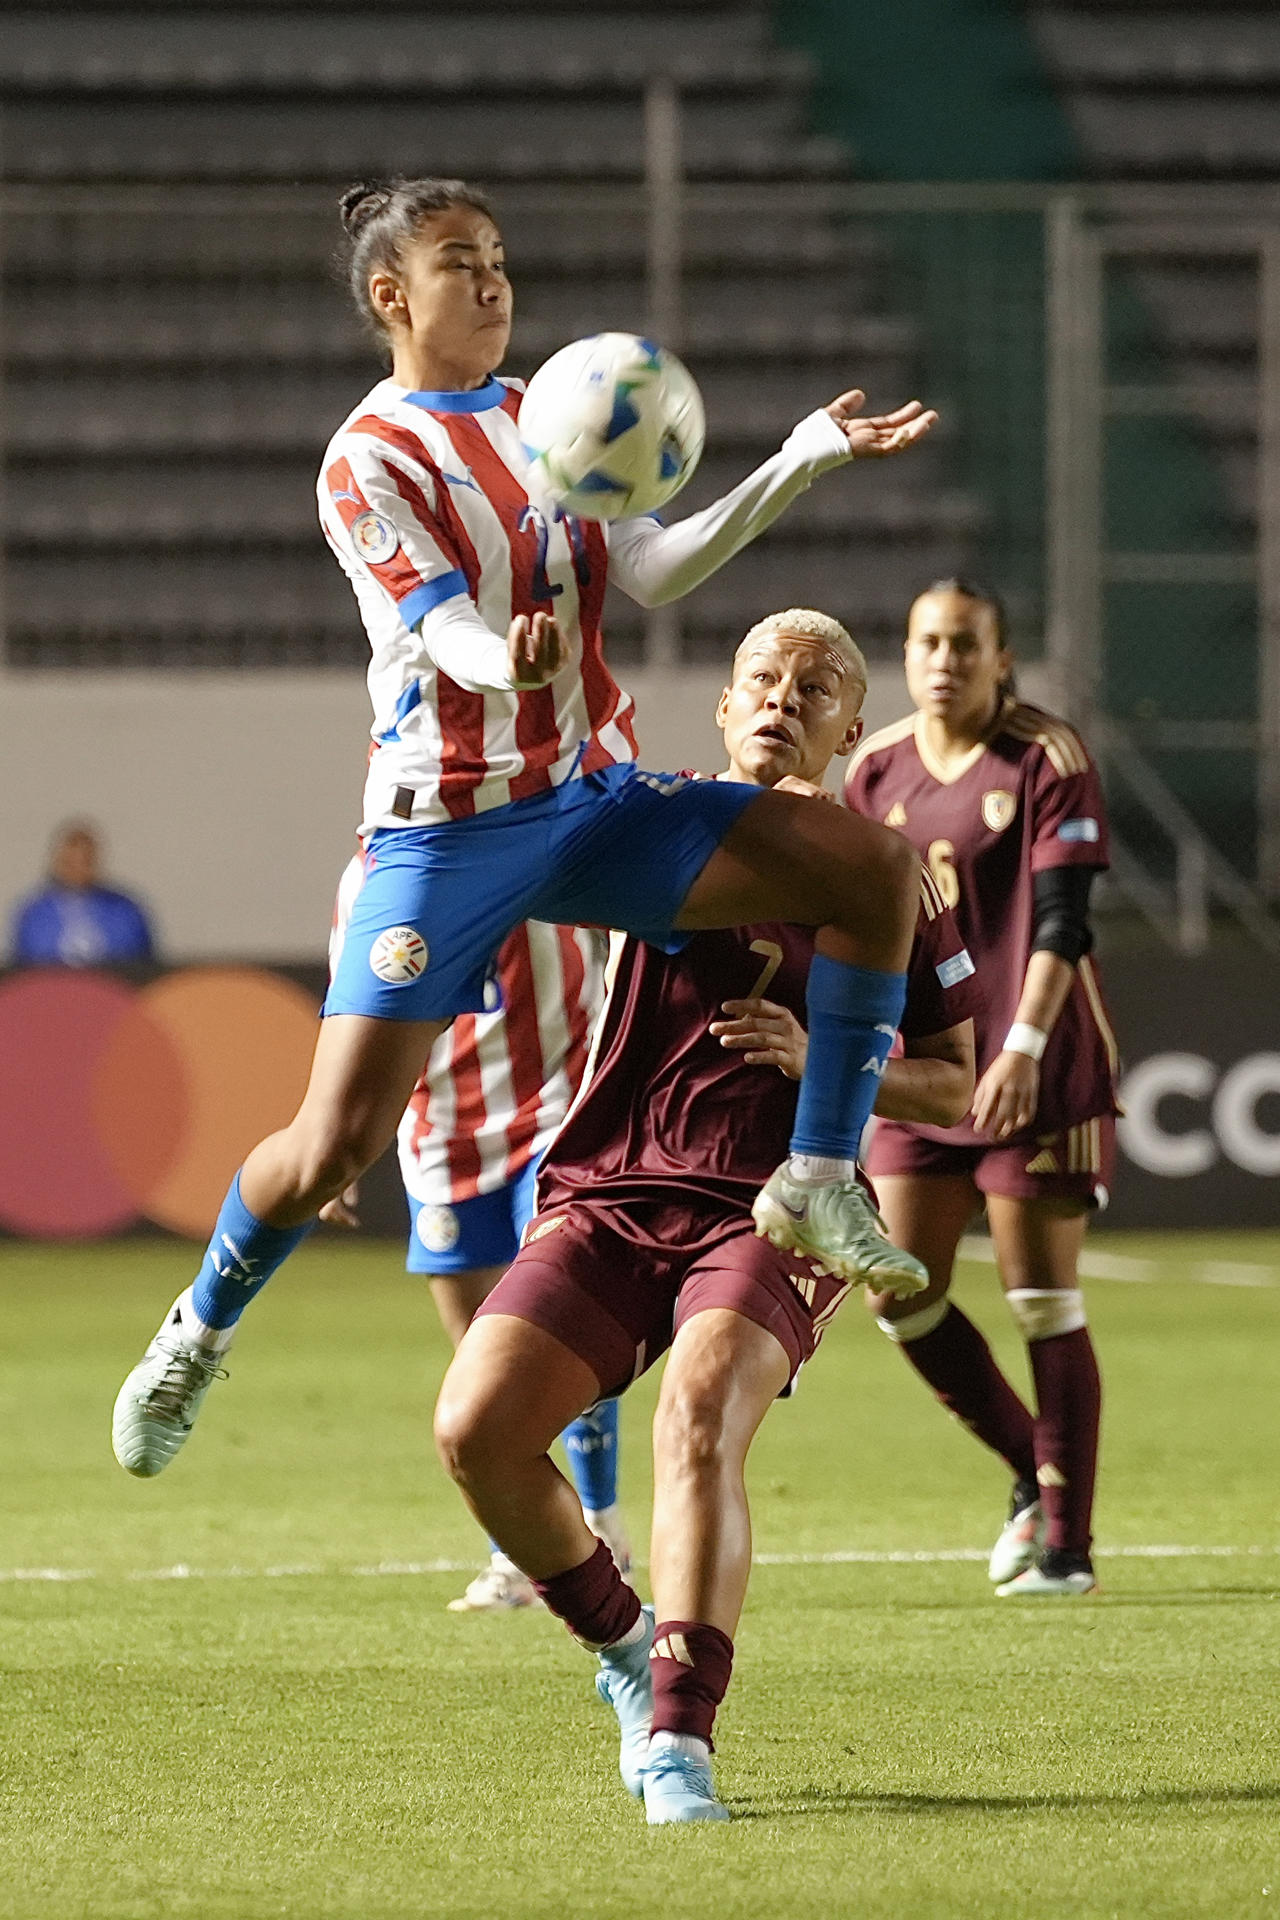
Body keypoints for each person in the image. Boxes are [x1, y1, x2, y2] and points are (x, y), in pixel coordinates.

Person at [112, 173, 937, 1480]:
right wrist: (506, 663)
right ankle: (196, 1331)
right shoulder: (368, 459)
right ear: (392, 296)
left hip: (589, 803)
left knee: (872, 870)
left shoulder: (545, 414)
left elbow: (656, 568)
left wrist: (801, 459)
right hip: (447, 831)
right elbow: (430, 627)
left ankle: (820, 1174)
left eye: (498, 257)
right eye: (458, 262)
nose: (493, 281)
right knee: (336, 1139)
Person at [433, 608, 983, 1823]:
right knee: (475, 1432)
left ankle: (680, 1737)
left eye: (818, 685)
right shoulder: (652, 822)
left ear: (851, 727)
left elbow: (957, 1077)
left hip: (775, 1207)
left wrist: (829, 1059)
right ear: (725, 712)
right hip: (609, 1189)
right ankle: (627, 1650)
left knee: (696, 1411)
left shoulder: (891, 880)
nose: (785, 697)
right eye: (761, 680)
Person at [844, 578, 1118, 1599]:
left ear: (1001, 658)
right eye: (927, 642)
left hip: (1034, 1072)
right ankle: (1024, 1467)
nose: (944, 660)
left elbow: (1062, 924)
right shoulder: (873, 773)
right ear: (906, 655)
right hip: (926, 1075)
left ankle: (1065, 1548)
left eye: (966, 643)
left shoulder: (1045, 757)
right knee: (895, 1289)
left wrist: (1020, 1049)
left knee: (1039, 1298)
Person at [326, 854, 630, 1608]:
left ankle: (601, 1521)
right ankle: (515, 1553)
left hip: (557, 1110)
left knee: (564, 1321)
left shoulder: (560, 843)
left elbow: (632, 951)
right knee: (478, 1352)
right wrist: (338, 1139)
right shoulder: (374, 873)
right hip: (439, 1130)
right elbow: (352, 1005)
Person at [10, 821, 155, 966]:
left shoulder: (124, 912)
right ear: (57, 861)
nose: (78, 869)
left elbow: (144, 963)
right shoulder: (34, 914)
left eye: (85, 861)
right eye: (70, 862)